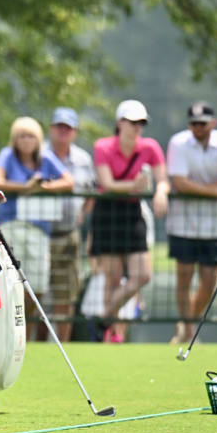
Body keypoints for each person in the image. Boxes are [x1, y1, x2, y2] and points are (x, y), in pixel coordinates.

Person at [91, 99, 169, 343]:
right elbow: (108, 184)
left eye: (141, 123)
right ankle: (111, 334)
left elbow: (162, 179)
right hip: (108, 212)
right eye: (133, 122)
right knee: (112, 277)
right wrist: (133, 186)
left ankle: (105, 317)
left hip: (132, 211)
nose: (137, 127)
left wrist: (160, 192)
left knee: (142, 275)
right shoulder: (103, 146)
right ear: (120, 123)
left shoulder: (150, 147)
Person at [0, 116, 73, 339]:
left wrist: (44, 186)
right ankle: (9, 329)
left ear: (39, 139)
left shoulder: (46, 157)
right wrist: (24, 187)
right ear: (14, 139)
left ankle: (21, 324)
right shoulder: (7, 155)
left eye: (31, 136)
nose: (26, 141)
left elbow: (68, 181)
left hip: (38, 227)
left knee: (37, 284)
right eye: (22, 136)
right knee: (10, 279)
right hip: (11, 224)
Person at [166, 102, 217, 344]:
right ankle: (187, 332)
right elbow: (181, 183)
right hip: (182, 223)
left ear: (213, 123)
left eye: (202, 123)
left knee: (209, 281)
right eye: (194, 123)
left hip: (213, 224)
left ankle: (187, 322)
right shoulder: (178, 143)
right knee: (184, 276)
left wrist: (209, 189)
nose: (198, 127)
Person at [45, 107, 96, 341]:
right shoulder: (39, 154)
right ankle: (36, 346)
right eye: (59, 127)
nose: (63, 132)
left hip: (69, 234)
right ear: (51, 129)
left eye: (68, 128)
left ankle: (61, 346)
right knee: (36, 296)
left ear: (74, 132)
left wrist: (82, 214)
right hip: (40, 234)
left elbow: (91, 194)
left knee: (67, 296)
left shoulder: (84, 160)